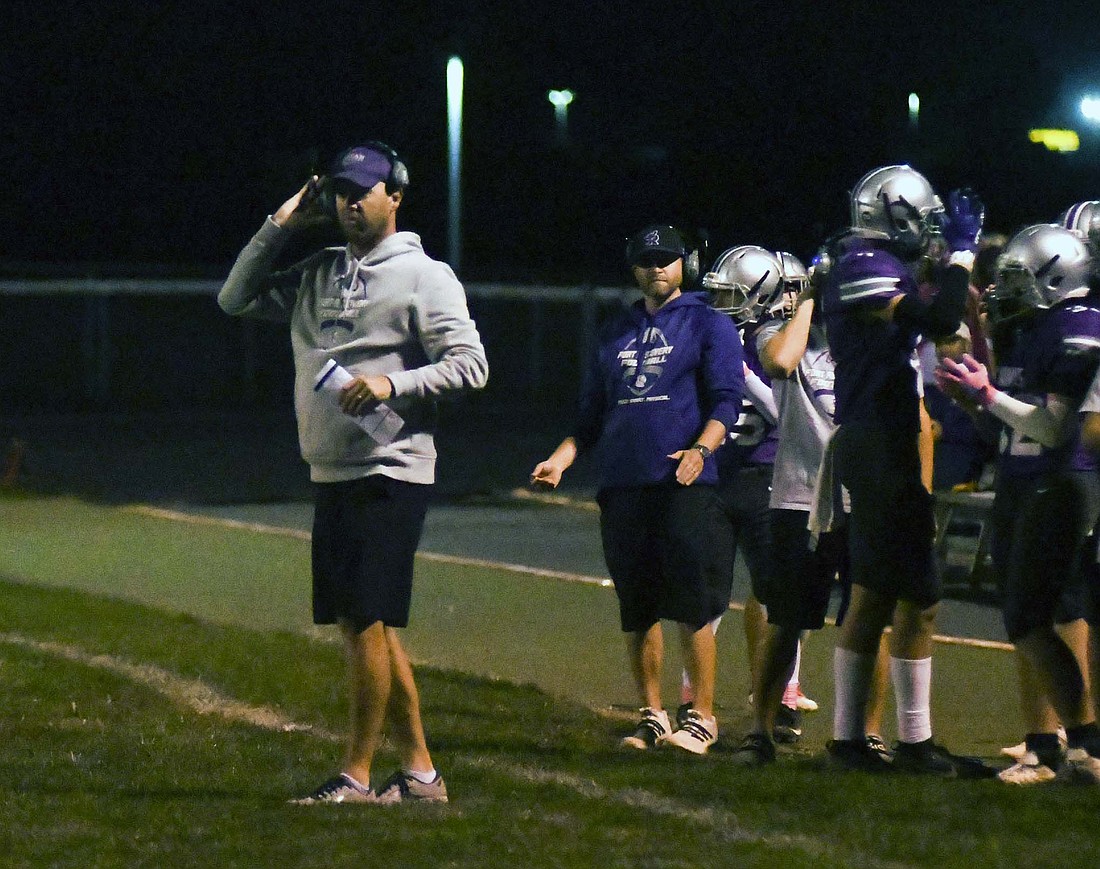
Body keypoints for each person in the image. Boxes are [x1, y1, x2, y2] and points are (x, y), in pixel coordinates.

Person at [217, 142, 489, 804]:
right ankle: (422, 775)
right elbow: (233, 297)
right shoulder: (319, 270)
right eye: (339, 190)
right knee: (366, 626)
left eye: (362, 190)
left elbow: (471, 365)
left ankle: (357, 774)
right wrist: (279, 225)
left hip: (389, 468)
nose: (348, 202)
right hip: (332, 470)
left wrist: (391, 383)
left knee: (366, 621)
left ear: (394, 196)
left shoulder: (425, 275)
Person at [530, 224, 744, 755]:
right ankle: (652, 713)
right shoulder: (615, 330)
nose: (657, 268)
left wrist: (701, 451)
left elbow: (726, 400)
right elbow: (591, 415)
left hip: (682, 482)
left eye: (667, 259)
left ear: (684, 264)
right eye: (647, 260)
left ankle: (703, 717)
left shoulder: (708, 322)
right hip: (624, 484)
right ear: (633, 267)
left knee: (693, 603)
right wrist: (561, 459)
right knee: (638, 604)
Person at [818, 165, 993, 775]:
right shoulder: (864, 264)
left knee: (876, 591)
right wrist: (962, 257)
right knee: (916, 594)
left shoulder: (875, 264)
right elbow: (940, 321)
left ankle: (850, 740)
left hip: (881, 437)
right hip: (879, 442)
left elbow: (945, 332)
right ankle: (910, 742)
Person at [938, 223, 1100, 784]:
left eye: (1017, 278)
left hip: (1060, 484)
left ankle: (1078, 742)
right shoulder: (1031, 327)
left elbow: (1054, 428)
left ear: (1054, 276)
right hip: (1021, 479)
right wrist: (975, 403)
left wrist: (989, 395)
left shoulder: (1077, 328)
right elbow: (1013, 422)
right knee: (1024, 616)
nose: (1005, 291)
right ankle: (1062, 742)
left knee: (1042, 614)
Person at [730, 252, 888, 765]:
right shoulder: (781, 332)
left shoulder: (877, 341)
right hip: (799, 497)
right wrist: (811, 302)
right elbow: (780, 361)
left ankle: (867, 731)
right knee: (787, 619)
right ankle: (762, 727)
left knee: (869, 618)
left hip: (862, 497)